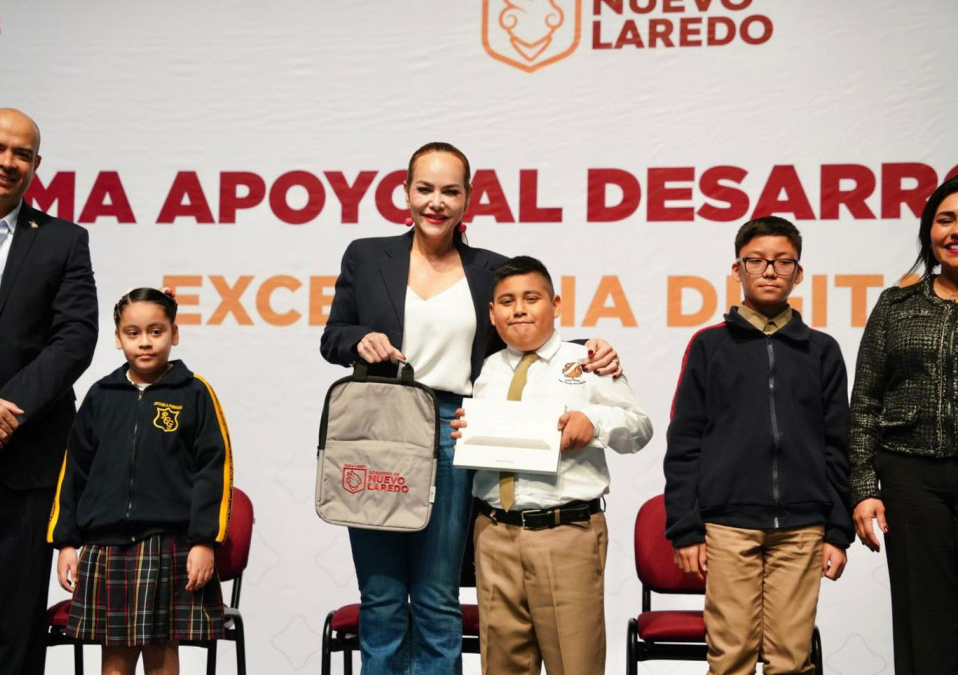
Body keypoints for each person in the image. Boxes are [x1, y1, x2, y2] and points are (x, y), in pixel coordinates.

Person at [319, 141, 622, 674]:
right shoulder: (366, 255)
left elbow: (524, 332)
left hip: (455, 427)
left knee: (438, 596)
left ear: (467, 198)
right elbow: (332, 336)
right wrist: (358, 340)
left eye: (449, 191)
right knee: (381, 597)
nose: (436, 202)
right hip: (378, 426)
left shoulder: (489, 269)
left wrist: (588, 349)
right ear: (405, 192)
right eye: (425, 189)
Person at [664, 216, 852, 674]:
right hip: (728, 525)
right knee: (730, 658)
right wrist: (685, 528)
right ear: (737, 269)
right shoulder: (709, 346)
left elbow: (838, 444)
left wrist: (837, 530)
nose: (770, 270)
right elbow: (685, 441)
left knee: (791, 660)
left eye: (783, 262)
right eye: (757, 261)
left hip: (803, 526)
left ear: (798, 273)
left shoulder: (822, 350)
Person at [450, 256, 652, 675]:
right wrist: (464, 433)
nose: (519, 310)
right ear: (492, 313)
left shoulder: (589, 361)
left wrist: (593, 422)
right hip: (494, 535)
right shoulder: (484, 370)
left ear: (555, 304)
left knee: (574, 665)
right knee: (501, 666)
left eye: (531, 298)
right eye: (507, 301)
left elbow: (639, 429)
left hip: (566, 534)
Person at [0, 108, 98, 674]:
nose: (6, 162)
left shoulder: (64, 240)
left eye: (21, 154)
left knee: (18, 626)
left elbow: (75, 339)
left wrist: (2, 415)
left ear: (37, 164)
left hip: (27, 457)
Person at [47, 287, 233, 675]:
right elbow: (74, 470)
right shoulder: (101, 395)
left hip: (169, 544)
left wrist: (204, 541)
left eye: (156, 331)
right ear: (118, 338)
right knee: (115, 656)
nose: (145, 342)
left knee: (162, 651)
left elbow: (214, 470)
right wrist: (65, 541)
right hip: (107, 547)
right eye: (133, 333)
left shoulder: (195, 393)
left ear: (174, 333)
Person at [850, 175, 958, 674]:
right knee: (924, 620)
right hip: (911, 480)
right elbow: (865, 402)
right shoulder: (895, 305)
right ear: (928, 231)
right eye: (945, 220)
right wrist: (863, 487)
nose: (955, 231)